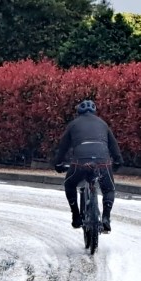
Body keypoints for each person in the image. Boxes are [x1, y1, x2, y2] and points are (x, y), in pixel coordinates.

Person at [53, 99, 123, 232]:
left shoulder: (73, 124)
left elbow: (63, 147)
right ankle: (106, 217)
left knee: (69, 184)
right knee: (108, 189)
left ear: (78, 112)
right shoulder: (103, 123)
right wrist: (118, 161)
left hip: (81, 161)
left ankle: (76, 216)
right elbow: (113, 145)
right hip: (103, 160)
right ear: (94, 111)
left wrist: (58, 164)